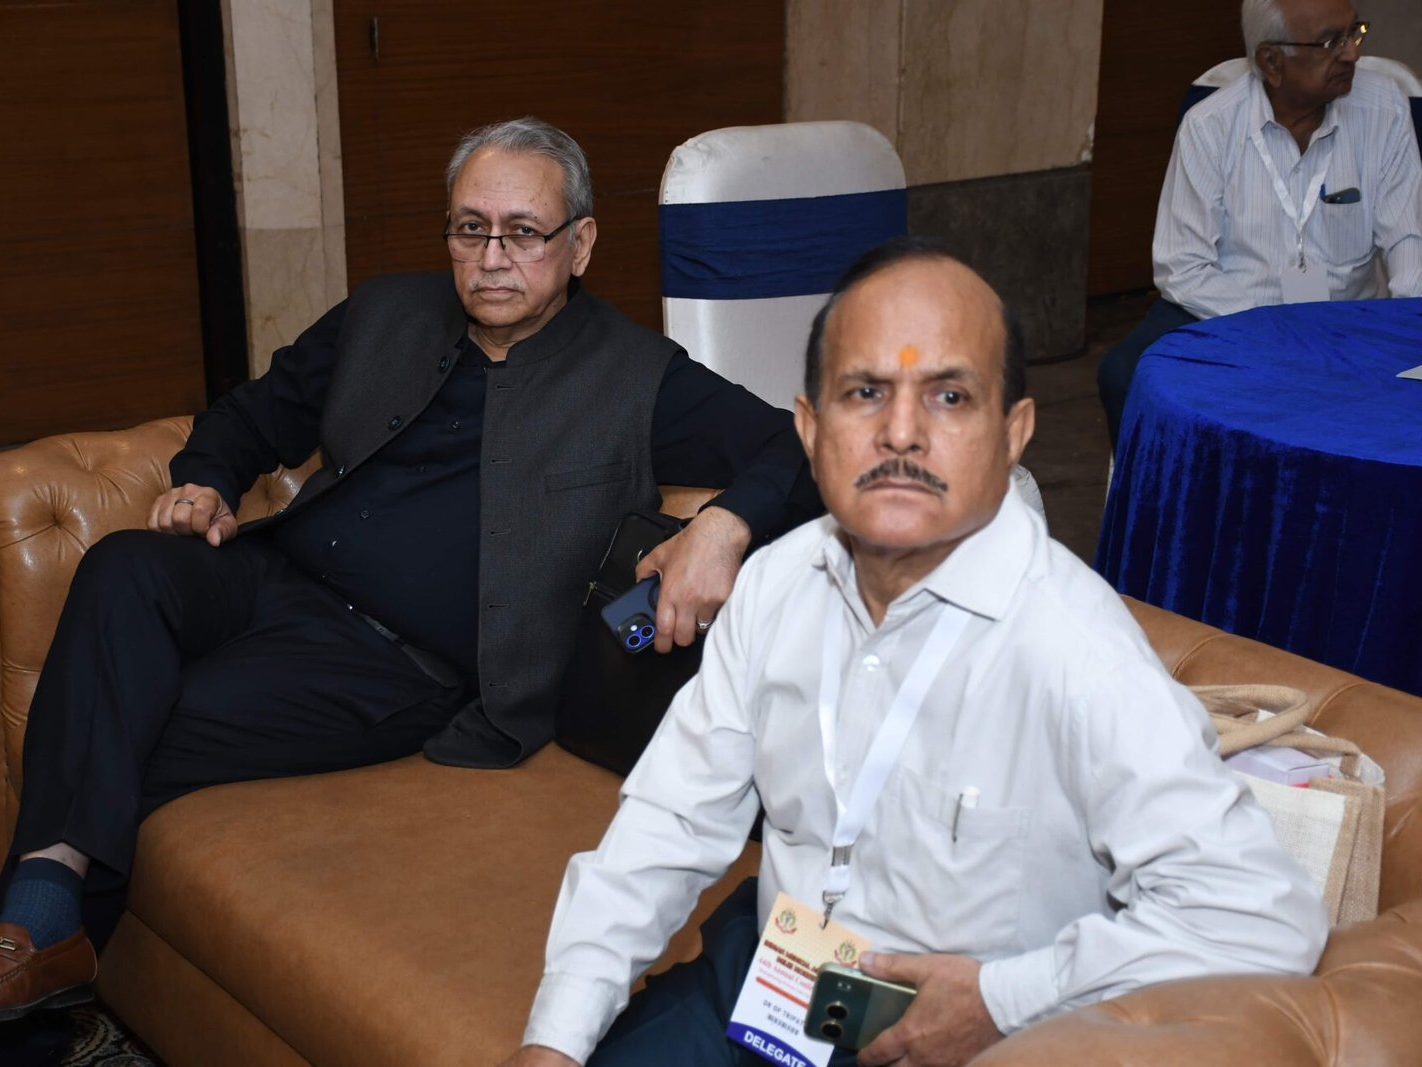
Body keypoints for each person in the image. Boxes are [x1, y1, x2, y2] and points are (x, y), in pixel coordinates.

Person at [0, 117, 818, 1029]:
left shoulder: (638, 376)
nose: (492, 258)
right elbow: (252, 414)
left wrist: (725, 524)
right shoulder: (384, 314)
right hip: (276, 576)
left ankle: (29, 950)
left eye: (523, 232)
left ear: (580, 244)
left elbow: (805, 448)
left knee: (115, 715)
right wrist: (205, 481)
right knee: (124, 565)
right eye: (470, 228)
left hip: (393, 667)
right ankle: (43, 951)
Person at [501, 237, 1329, 1067]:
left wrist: (1006, 999)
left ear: (1013, 433)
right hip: (776, 972)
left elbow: (1261, 913)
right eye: (865, 392)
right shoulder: (774, 587)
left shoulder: (1074, 647)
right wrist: (555, 1036)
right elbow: (669, 823)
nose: (901, 432)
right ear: (810, 428)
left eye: (949, 396)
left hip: (964, 1033)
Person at [1097, 0, 1422, 447]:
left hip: (1345, 316)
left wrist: (1404, 328)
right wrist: (1277, 332)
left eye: (1354, 33)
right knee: (1123, 374)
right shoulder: (1210, 126)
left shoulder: (1384, 108)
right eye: (1331, 42)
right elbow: (1183, 266)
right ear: (1271, 61)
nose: (1352, 53)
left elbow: (1410, 239)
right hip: (1229, 312)